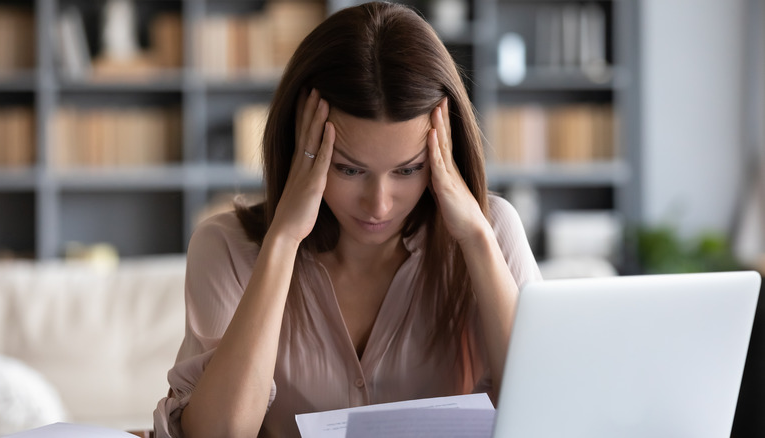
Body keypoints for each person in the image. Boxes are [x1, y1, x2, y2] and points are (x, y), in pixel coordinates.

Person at [154, 2, 541, 437]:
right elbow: (218, 435)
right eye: (349, 169)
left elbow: (545, 416)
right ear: (303, 147)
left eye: (408, 170)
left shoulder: (492, 232)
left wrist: (476, 239)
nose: (378, 205)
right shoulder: (223, 247)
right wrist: (282, 242)